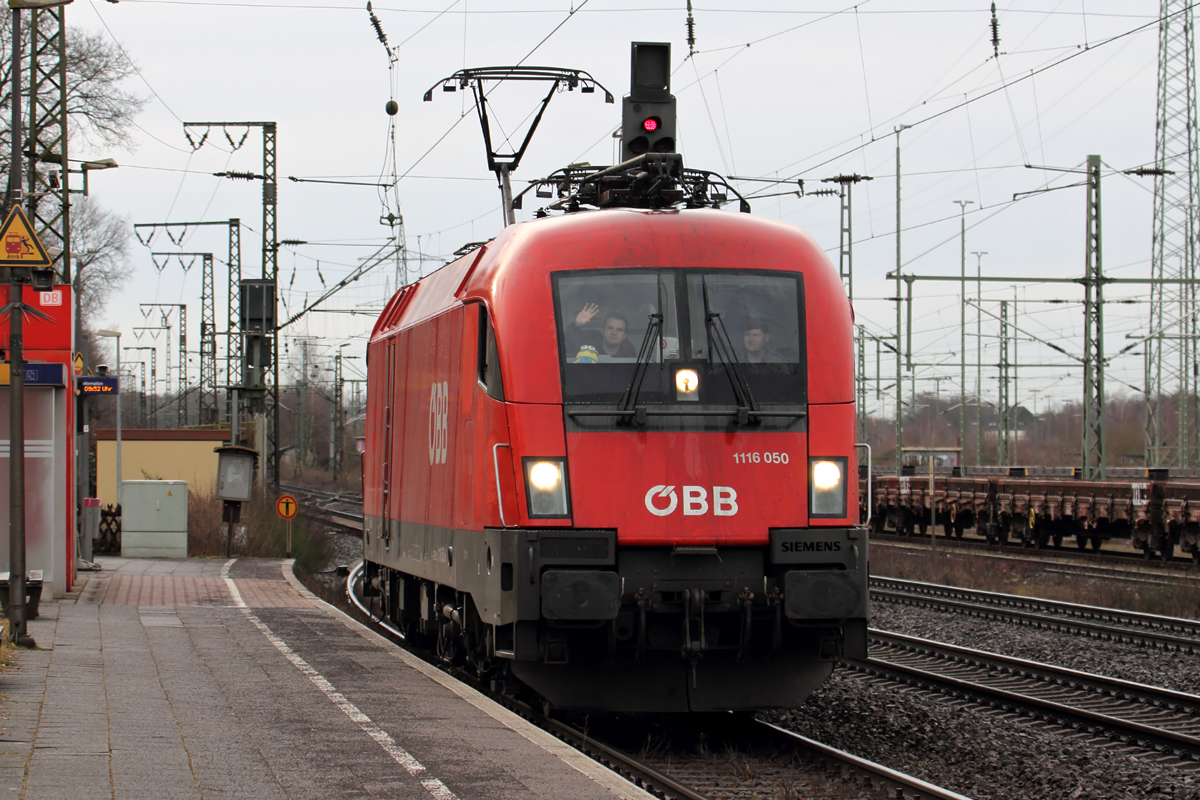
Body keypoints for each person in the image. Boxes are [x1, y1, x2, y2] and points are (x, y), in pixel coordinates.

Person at [566, 304, 636, 360]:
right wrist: (576, 325)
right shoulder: (589, 348)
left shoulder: (628, 351)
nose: (614, 332)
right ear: (603, 330)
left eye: (619, 330)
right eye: (610, 328)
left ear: (624, 336)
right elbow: (568, 338)